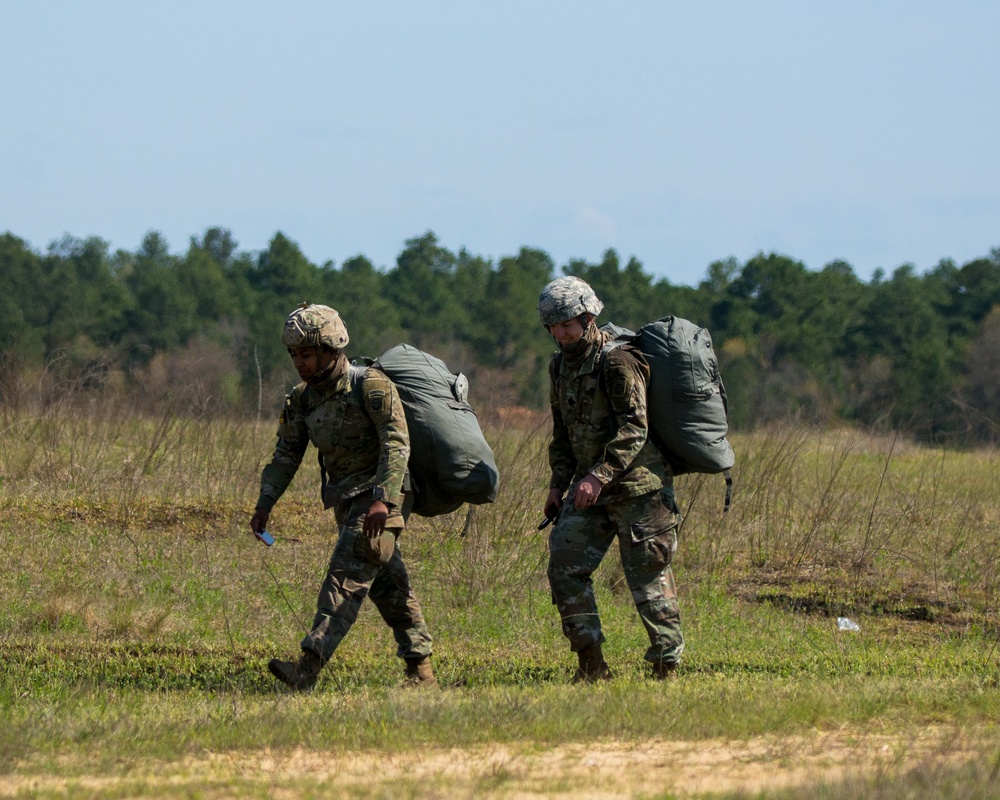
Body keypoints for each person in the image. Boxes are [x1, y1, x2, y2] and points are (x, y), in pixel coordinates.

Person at [250, 302, 436, 691]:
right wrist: (265, 502)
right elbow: (286, 455)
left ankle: (307, 667)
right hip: (348, 500)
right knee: (389, 587)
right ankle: (421, 672)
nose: (299, 363)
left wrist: (383, 500)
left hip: (384, 498)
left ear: (331, 349)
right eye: (294, 355)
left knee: (346, 575)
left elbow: (396, 441)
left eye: (307, 354)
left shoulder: (369, 385)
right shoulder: (302, 399)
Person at [538, 276, 684, 682]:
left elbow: (634, 427)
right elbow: (563, 431)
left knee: (648, 578)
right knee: (565, 568)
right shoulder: (559, 366)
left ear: (588, 318)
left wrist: (599, 475)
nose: (561, 333)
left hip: (640, 490)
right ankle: (591, 664)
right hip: (589, 492)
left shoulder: (618, 361)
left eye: (567, 324)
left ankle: (665, 666)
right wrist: (557, 485)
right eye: (553, 326)